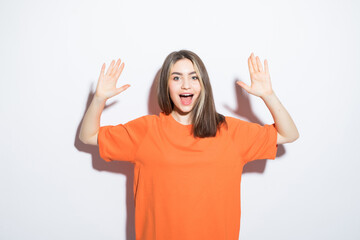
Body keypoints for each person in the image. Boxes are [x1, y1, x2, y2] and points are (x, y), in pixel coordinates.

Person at [79, 50, 299, 240]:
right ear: (166, 84)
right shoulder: (146, 131)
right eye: (176, 77)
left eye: (194, 77)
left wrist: (268, 95)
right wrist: (99, 98)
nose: (186, 84)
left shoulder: (230, 131)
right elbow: (88, 136)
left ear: (203, 84)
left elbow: (288, 134)